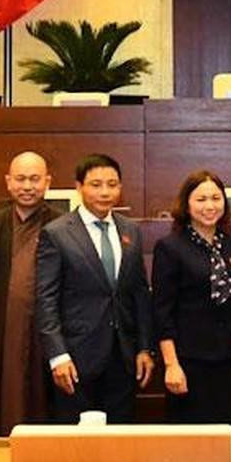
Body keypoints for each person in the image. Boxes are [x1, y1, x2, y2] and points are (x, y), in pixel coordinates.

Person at [36, 154, 155, 423]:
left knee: (120, 438)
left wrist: (145, 348)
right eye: (96, 184)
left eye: (112, 184)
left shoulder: (130, 231)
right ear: (79, 187)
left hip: (123, 358)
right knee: (76, 447)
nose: (105, 191)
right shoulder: (57, 233)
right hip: (75, 358)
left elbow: (139, 292)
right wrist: (57, 355)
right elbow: (46, 299)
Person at [0, 151, 61, 432]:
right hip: (3, 334)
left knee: (46, 403)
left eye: (35, 179)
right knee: (5, 403)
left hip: (47, 334)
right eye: (21, 179)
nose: (27, 186)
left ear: (48, 182)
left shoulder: (64, 227)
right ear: (8, 182)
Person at [153, 171, 231, 425]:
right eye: (201, 199)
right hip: (188, 362)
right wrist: (171, 364)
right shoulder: (170, 247)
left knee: (228, 437)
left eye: (216, 198)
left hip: (229, 363)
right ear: (186, 204)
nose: (210, 206)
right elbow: (162, 312)